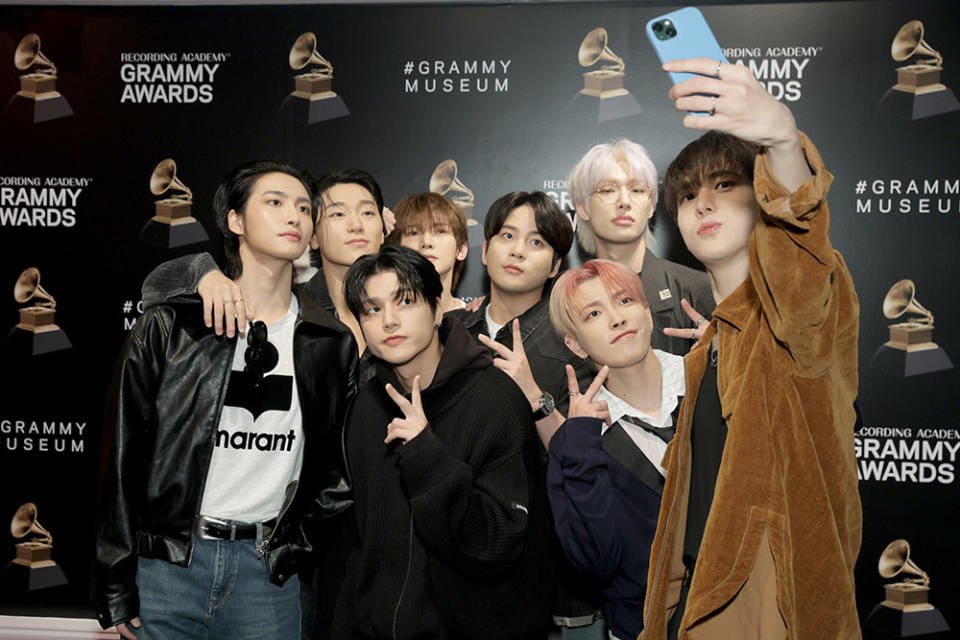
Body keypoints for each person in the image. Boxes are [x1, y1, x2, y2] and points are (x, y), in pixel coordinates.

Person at [640, 59, 861, 640]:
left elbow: (800, 245)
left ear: (759, 196)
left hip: (771, 606)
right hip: (695, 599)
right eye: (687, 197)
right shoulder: (704, 348)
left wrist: (782, 141)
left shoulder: (800, 311)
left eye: (724, 184)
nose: (702, 204)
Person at [95, 160, 357, 639]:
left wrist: (292, 545)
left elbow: (335, 472)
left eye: (303, 207)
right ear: (235, 221)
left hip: (267, 577)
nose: (294, 216)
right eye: (274, 203)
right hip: (170, 568)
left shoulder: (329, 342)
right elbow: (121, 456)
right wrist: (116, 580)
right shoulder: (171, 327)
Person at [333, 245, 549, 639]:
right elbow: (357, 543)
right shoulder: (365, 403)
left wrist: (427, 457)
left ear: (437, 311)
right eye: (372, 309)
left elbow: (497, 544)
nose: (389, 321)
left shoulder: (495, 400)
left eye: (406, 302)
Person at [452, 191, 599, 639]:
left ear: (556, 266)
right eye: (507, 236)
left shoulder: (576, 345)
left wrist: (534, 394)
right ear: (485, 249)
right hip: (459, 552)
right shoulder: (451, 335)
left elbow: (585, 467)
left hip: (545, 560)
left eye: (536, 243)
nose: (517, 250)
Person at [546, 259, 685, 640]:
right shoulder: (577, 443)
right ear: (574, 344)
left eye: (624, 301)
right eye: (593, 313)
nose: (617, 318)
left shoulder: (712, 383)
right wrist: (582, 450)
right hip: (640, 629)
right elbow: (597, 562)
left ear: (647, 312)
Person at [140, 168, 389, 353]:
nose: (356, 225)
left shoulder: (329, 330)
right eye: (275, 202)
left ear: (384, 227)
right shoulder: (312, 320)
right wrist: (201, 272)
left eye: (368, 213)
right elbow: (156, 288)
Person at [568, 138, 715, 355]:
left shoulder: (699, 289)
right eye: (608, 190)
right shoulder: (567, 301)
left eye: (637, 190)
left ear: (651, 207)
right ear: (582, 208)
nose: (624, 201)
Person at [388, 191, 469, 312]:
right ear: (396, 249)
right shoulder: (381, 321)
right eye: (413, 233)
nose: (426, 242)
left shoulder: (478, 322)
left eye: (440, 231)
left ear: (461, 249)